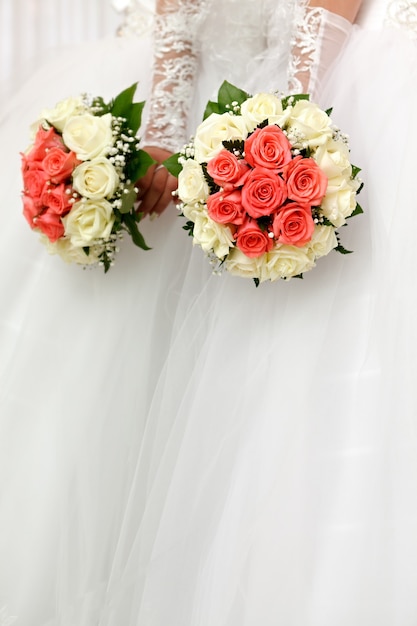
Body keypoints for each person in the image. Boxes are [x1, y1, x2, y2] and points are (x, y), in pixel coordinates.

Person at [0, 2, 416, 626]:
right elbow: (177, 15)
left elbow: (324, 16)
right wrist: (164, 126)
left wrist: (287, 134)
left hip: (338, 72)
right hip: (219, 86)